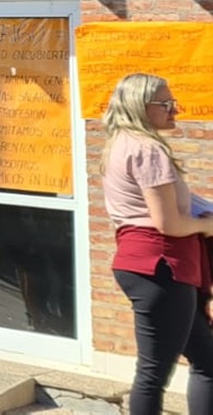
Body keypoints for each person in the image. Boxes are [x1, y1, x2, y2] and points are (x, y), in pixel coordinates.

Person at [101, 72, 213, 415]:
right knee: (153, 374)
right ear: (140, 106)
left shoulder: (120, 143)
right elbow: (169, 223)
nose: (174, 110)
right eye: (165, 104)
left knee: (206, 359)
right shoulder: (147, 149)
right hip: (161, 265)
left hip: (147, 264)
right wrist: (206, 226)